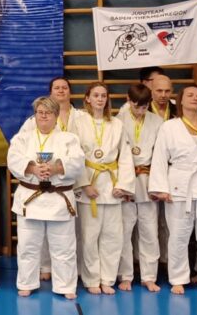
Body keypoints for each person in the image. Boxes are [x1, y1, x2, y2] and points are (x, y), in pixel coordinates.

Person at [149, 84, 197, 296]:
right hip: (180, 186)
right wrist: (160, 188)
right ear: (180, 100)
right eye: (190, 95)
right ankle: (178, 278)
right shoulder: (169, 127)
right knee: (178, 236)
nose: (195, 98)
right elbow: (160, 158)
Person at [8, 97, 84, 299]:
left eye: (48, 113)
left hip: (59, 200)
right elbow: (13, 160)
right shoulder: (22, 138)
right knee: (27, 246)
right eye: (40, 112)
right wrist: (33, 168)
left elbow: (78, 163)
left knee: (64, 247)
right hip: (31, 199)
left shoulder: (69, 139)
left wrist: (56, 168)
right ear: (35, 115)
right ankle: (26, 283)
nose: (43, 116)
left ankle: (66, 286)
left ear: (56, 116)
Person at [19, 76, 89, 281]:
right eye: (56, 88)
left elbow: (84, 153)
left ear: (70, 91)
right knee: (37, 235)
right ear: (50, 92)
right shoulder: (32, 122)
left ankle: (73, 272)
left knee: (72, 234)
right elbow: (20, 152)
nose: (61, 90)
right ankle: (45, 267)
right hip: (40, 183)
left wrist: (59, 168)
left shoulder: (83, 117)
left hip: (74, 179)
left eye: (64, 87)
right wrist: (34, 168)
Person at [74, 82, 133, 295]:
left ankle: (107, 278)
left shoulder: (116, 124)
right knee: (89, 237)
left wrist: (122, 185)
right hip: (89, 186)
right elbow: (74, 155)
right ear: (87, 98)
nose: (100, 99)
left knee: (113, 236)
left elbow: (125, 156)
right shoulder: (78, 122)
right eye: (96, 95)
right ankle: (91, 279)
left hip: (111, 184)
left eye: (103, 96)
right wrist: (84, 184)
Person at [115, 84, 164, 292]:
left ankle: (149, 276)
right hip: (125, 181)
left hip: (148, 180)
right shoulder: (117, 121)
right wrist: (122, 184)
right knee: (124, 232)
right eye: (136, 107)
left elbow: (161, 156)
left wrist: (159, 186)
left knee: (149, 231)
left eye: (144, 107)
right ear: (128, 100)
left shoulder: (158, 122)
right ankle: (125, 275)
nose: (141, 111)